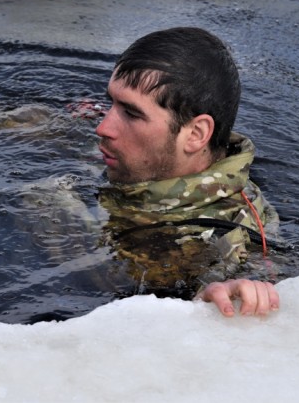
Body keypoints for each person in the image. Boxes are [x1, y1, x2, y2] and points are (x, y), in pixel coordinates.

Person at [95, 27, 281, 317]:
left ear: (196, 134)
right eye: (111, 103)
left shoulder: (217, 239)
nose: (103, 127)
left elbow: (232, 275)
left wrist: (208, 299)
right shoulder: (145, 167)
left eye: (131, 113)